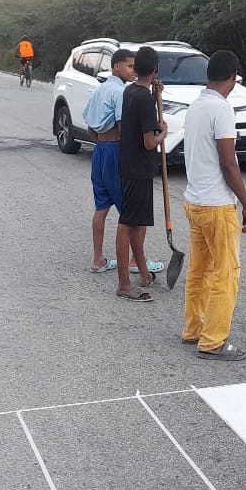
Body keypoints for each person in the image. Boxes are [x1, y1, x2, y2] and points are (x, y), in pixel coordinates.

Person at [180, 50, 246, 360]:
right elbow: (229, 163)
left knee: (199, 270)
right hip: (217, 206)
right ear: (233, 77)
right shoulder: (222, 110)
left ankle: (193, 329)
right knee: (226, 273)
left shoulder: (196, 105)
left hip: (194, 201)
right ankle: (212, 342)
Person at [84, 48, 156, 276]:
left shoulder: (101, 89)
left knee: (102, 206)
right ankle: (136, 261)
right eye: (129, 66)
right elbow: (125, 128)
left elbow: (90, 126)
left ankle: (98, 260)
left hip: (100, 151)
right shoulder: (119, 92)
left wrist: (100, 142)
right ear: (116, 66)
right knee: (133, 212)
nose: (133, 70)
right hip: (116, 150)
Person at [114, 46, 168, 302]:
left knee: (135, 223)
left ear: (135, 69)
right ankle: (124, 284)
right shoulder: (144, 99)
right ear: (155, 69)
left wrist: (157, 93)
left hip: (130, 166)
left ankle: (144, 274)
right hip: (139, 168)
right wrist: (163, 133)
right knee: (127, 224)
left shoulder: (131, 91)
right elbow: (149, 142)